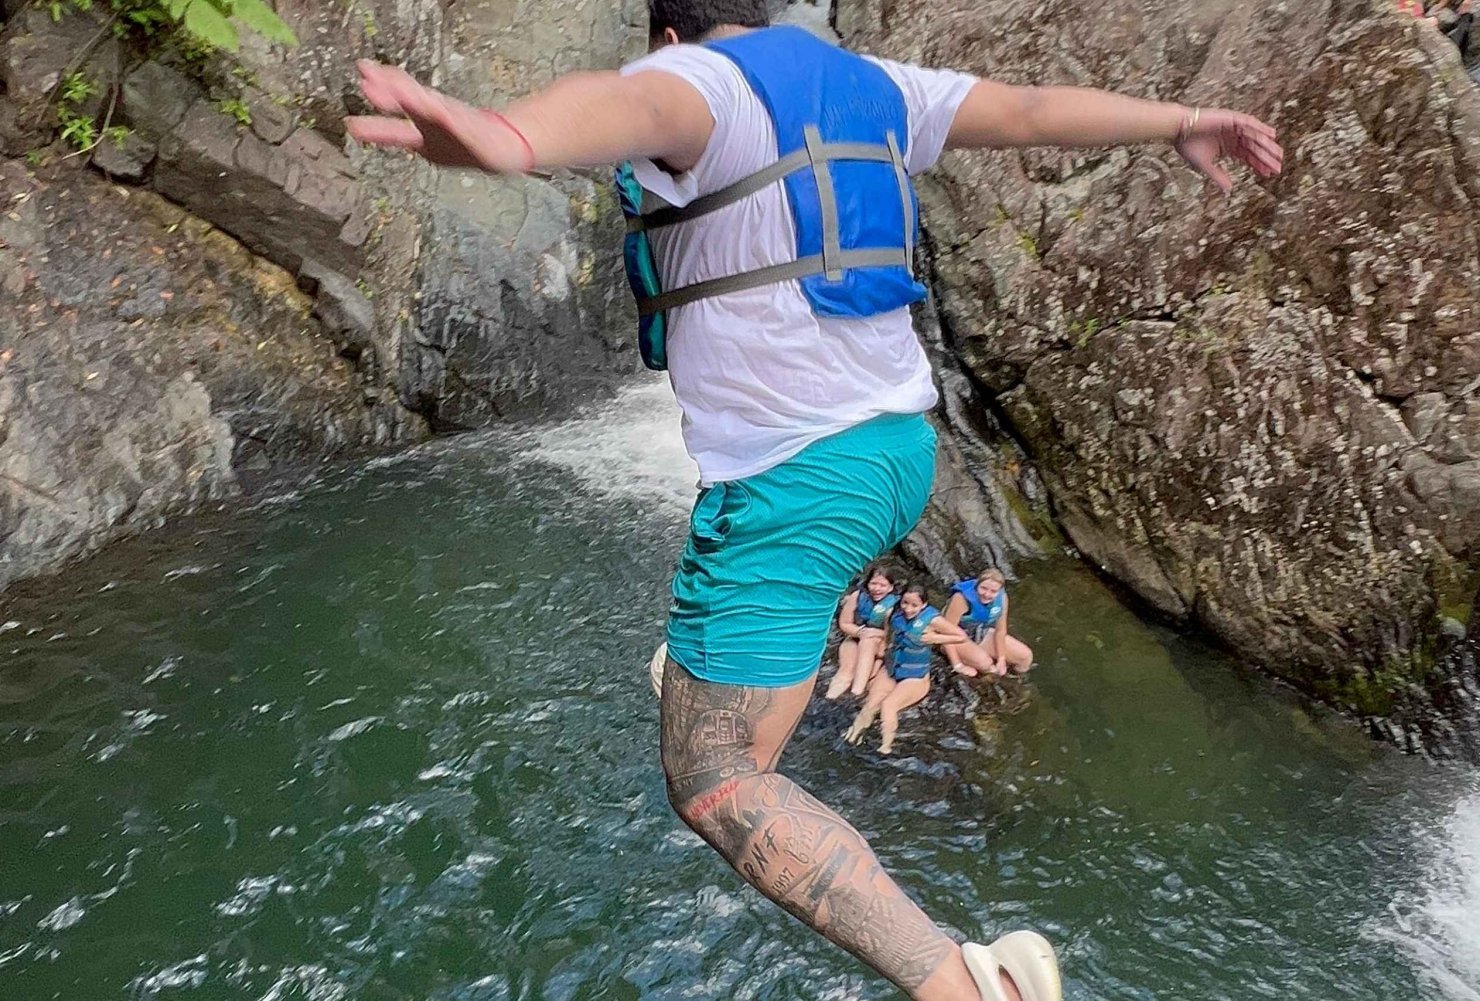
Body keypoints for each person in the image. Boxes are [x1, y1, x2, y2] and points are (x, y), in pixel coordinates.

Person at [344, 0, 1282, 997]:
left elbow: (621, 102)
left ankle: (969, 986)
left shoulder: (702, 81)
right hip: (896, 454)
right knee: (734, 705)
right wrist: (1177, 120)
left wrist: (509, 134)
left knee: (711, 777)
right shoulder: (873, 85)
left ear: (672, 31)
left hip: (799, 478)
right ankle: (727, 673)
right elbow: (1031, 108)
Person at [843, 585, 974, 754]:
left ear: (924, 605)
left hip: (915, 675)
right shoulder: (894, 613)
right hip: (893, 668)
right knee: (870, 704)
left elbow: (961, 636)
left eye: (914, 605)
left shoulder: (932, 619)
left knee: (888, 705)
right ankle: (852, 736)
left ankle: (885, 747)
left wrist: (935, 638)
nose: (908, 609)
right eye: (905, 603)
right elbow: (888, 632)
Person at [942, 568, 1034, 678]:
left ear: (999, 591)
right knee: (986, 664)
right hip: (955, 638)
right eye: (983, 588)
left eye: (993, 591)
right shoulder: (961, 599)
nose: (987, 594)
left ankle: (1018, 682)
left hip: (979, 632)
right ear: (977, 585)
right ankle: (988, 678)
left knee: (1025, 657)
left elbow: (1000, 630)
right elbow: (945, 634)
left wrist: (1001, 659)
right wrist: (957, 664)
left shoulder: (1002, 598)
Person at [825, 567, 899, 700]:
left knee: (868, 643)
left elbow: (895, 634)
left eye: (882, 585)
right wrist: (860, 632)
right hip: (855, 637)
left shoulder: (895, 605)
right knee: (846, 671)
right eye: (873, 583)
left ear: (890, 587)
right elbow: (845, 623)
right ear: (867, 583)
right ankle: (830, 698)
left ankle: (857, 692)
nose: (877, 588)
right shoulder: (857, 596)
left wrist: (875, 633)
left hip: (878, 642)